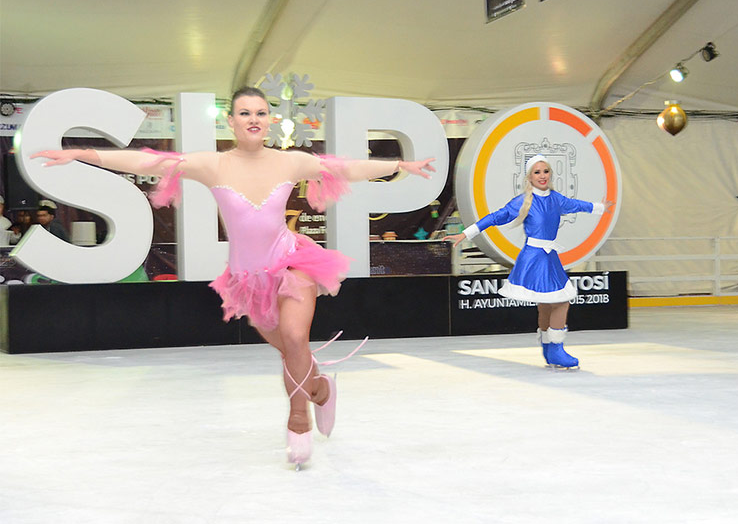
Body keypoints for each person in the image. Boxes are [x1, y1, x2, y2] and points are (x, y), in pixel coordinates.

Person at [33, 86, 436, 469]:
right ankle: (321, 390)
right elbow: (147, 160)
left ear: (270, 120)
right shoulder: (214, 164)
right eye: (245, 113)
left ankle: (299, 419)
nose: (253, 119)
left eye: (260, 113)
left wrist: (399, 165)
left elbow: (345, 167)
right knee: (291, 352)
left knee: (296, 338)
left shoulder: (288, 161)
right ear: (231, 121)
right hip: (249, 279)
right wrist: (83, 153)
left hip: (291, 261)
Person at [444, 154, 613, 369]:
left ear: (550, 173)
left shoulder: (555, 198)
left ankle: (548, 349)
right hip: (535, 256)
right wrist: (465, 234)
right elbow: (496, 217)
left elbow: (575, 205)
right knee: (562, 300)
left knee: (546, 303)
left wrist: (598, 207)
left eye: (545, 171)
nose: (542, 176)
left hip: (549, 256)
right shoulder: (524, 201)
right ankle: (556, 349)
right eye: (537, 172)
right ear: (529, 177)